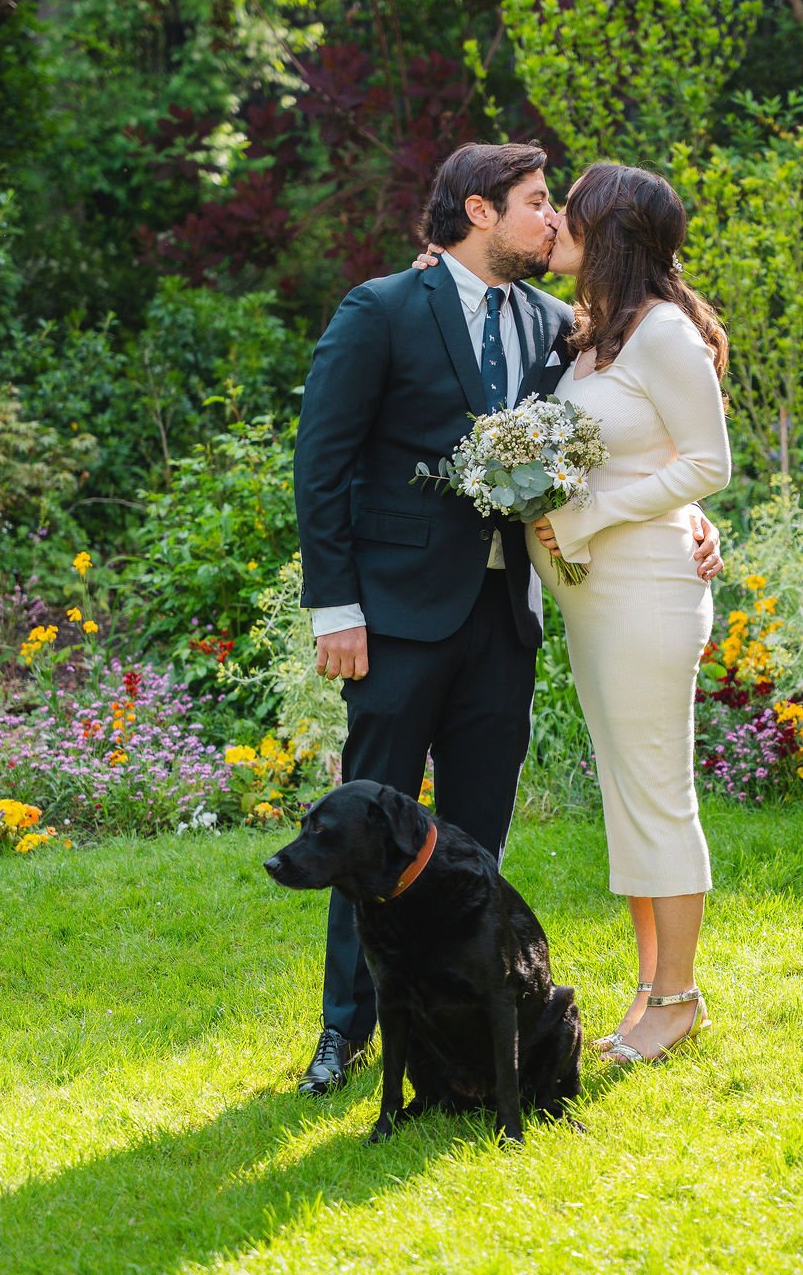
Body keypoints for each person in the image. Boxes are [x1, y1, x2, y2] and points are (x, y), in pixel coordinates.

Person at [293, 142, 724, 1095]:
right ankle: (343, 1033)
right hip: (398, 618)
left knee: (474, 843)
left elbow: (636, 433)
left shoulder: (554, 325)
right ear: (481, 213)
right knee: (368, 827)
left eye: (560, 207)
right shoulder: (383, 309)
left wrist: (693, 516)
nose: (552, 221)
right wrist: (337, 607)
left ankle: (470, 1031)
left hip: (505, 615)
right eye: (536, 203)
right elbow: (320, 464)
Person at [530, 162, 731, 1065]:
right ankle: (650, 985)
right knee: (626, 794)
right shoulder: (593, 337)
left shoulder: (663, 337)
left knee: (657, 793)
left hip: (649, 586)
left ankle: (679, 997)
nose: (556, 219)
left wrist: (589, 517)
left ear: (605, 227)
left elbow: (708, 466)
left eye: (568, 207)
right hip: (596, 595)